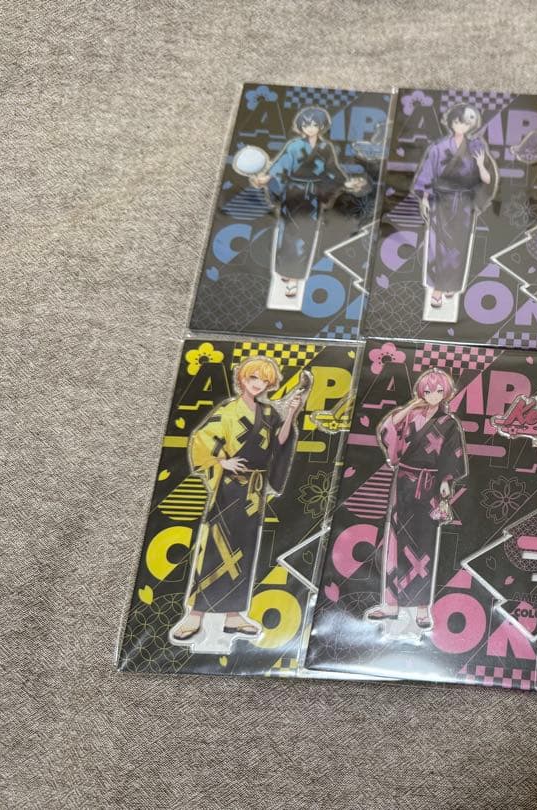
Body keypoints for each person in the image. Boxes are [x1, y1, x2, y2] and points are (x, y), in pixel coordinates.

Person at [170, 357, 307, 643]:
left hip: (254, 492)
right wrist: (222, 462)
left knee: (245, 548)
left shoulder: (269, 413)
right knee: (214, 546)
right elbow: (202, 439)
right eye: (253, 378)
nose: (258, 384)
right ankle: (195, 614)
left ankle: (233, 615)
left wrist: (291, 415)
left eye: (264, 381)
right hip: (229, 487)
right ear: (242, 379)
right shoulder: (228, 410)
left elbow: (280, 443)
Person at [366, 369, 468, 630]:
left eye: (438, 391)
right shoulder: (412, 416)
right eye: (428, 391)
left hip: (430, 485)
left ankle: (422, 608)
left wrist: (446, 483)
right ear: (421, 392)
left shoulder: (449, 423)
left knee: (425, 545)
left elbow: (451, 455)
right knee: (394, 540)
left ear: (446, 393)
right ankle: (391, 604)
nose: (433, 395)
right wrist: (411, 406)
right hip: (403, 483)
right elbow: (388, 430)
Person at [250, 106, 371, 298]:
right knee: (287, 235)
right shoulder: (293, 146)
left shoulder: (326, 148)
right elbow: (280, 167)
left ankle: (294, 279)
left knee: (304, 236)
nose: (311, 128)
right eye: (306, 124)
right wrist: (265, 179)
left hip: (312, 196)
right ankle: (286, 271)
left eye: (315, 124)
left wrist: (346, 183)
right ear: (301, 126)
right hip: (292, 194)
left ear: (321, 126)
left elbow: (333, 171)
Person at [413, 104, 499, 309]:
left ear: (471, 126)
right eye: (457, 121)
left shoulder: (475, 147)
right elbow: (428, 173)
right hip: (440, 201)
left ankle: (451, 285)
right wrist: (425, 198)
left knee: (458, 247)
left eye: (466, 123)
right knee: (437, 244)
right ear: (451, 122)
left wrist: (480, 164)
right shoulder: (438, 147)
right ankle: (437, 289)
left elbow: (487, 179)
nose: (461, 126)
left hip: (463, 204)